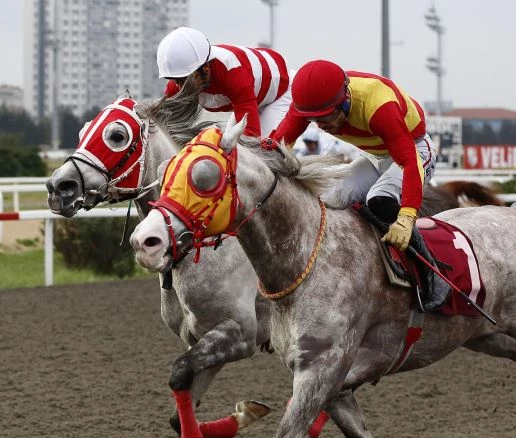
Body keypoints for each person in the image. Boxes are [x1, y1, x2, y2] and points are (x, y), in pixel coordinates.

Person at [263, 59, 447, 309]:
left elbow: (409, 163)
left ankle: (432, 273)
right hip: (375, 157)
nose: (320, 126)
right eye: (313, 120)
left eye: (325, 117)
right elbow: (276, 147)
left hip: (415, 153)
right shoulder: (309, 103)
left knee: (380, 199)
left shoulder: (379, 106)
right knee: (327, 199)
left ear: (345, 100)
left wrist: (406, 217)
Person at [156, 26, 292, 138]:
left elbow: (252, 138)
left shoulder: (234, 75)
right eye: (177, 80)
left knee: (265, 150)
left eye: (186, 79)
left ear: (206, 68)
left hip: (282, 93)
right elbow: (162, 126)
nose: (181, 87)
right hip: (253, 95)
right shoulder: (178, 82)